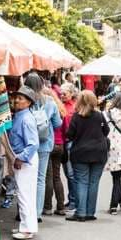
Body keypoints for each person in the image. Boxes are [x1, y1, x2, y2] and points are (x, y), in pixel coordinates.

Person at [65, 90, 110, 222]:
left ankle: (81, 213)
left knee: (81, 182)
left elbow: (70, 135)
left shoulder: (76, 117)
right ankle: (90, 212)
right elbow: (106, 131)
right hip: (99, 152)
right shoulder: (99, 115)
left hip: (81, 152)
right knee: (93, 183)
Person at [24, 73, 62, 224]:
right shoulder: (50, 101)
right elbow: (58, 123)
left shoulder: (24, 100)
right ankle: (37, 213)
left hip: (26, 144)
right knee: (40, 179)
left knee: (26, 179)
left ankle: (25, 212)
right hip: (45, 144)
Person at [8, 86, 40, 240]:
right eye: (16, 97)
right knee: (26, 194)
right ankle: (28, 226)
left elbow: (33, 144)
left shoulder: (26, 118)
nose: (16, 100)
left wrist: (21, 158)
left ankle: (27, 229)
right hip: (25, 158)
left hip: (25, 160)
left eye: (20, 98)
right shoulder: (21, 115)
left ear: (28, 102)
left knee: (24, 194)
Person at [43, 86, 69, 216]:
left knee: (48, 177)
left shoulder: (43, 110)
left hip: (48, 144)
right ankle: (61, 206)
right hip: (59, 145)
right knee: (57, 177)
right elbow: (65, 130)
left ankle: (47, 207)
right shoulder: (60, 110)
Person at [59, 83, 79, 214]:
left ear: (72, 93)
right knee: (68, 173)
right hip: (65, 142)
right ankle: (72, 199)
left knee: (71, 174)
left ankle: (73, 201)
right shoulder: (64, 106)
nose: (62, 95)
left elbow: (68, 128)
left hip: (69, 142)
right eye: (61, 92)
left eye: (65, 93)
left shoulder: (72, 108)